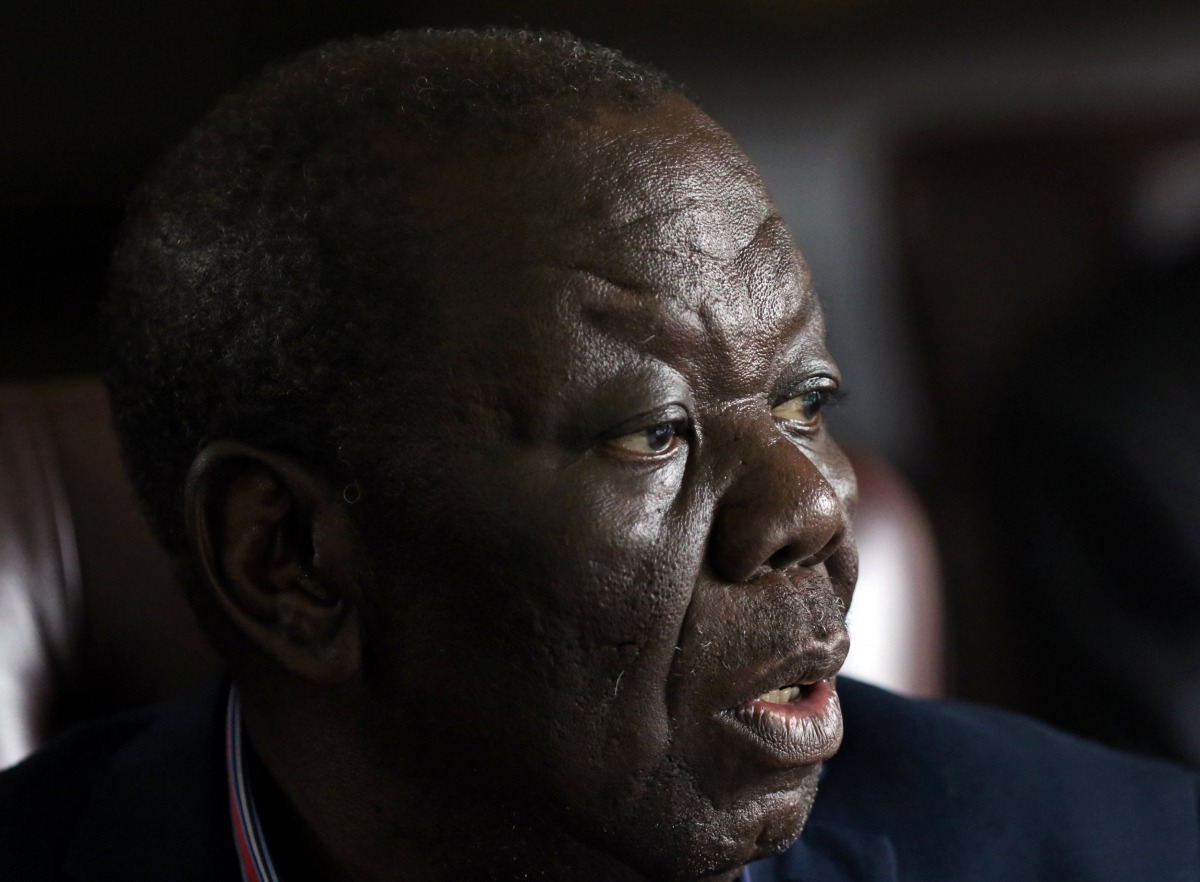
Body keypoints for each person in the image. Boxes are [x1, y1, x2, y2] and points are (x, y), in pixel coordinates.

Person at [0, 28, 1196, 882]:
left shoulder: (1119, 850)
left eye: (804, 402)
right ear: (292, 560)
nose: (815, 507)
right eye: (654, 431)